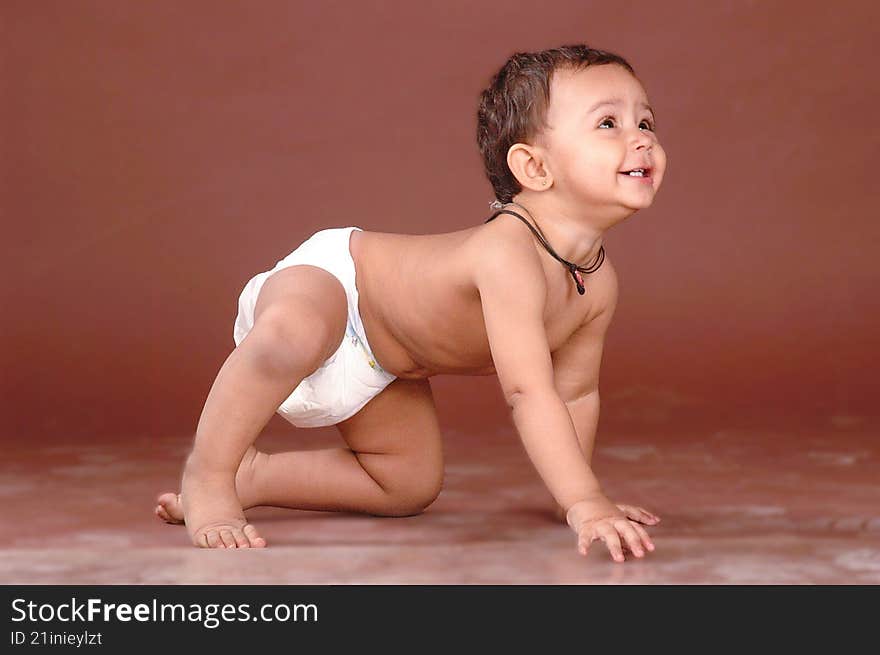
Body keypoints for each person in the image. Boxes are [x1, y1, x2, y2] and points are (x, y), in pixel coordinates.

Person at [155, 44, 666, 562]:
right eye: (608, 123)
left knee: (405, 485)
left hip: (386, 363)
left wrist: (576, 497)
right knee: (292, 337)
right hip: (340, 284)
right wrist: (586, 502)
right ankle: (211, 474)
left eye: (645, 121)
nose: (641, 138)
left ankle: (254, 477)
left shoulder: (596, 281)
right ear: (534, 168)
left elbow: (574, 394)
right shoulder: (509, 252)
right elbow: (529, 392)